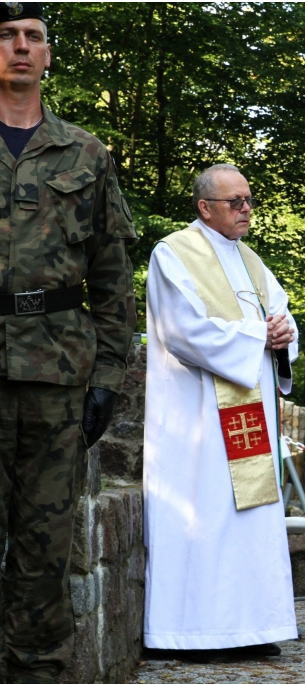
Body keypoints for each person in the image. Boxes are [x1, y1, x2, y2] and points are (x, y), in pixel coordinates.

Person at [0, 4, 137, 680]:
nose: (20, 48)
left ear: (49, 55)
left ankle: (34, 673)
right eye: (6, 36)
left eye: (33, 38)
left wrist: (110, 374)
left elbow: (113, 273)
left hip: (56, 374)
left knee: (44, 547)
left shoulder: (85, 153)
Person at [143, 164, 298, 662]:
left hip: (248, 412)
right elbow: (182, 331)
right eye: (235, 202)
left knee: (250, 518)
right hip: (198, 423)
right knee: (205, 515)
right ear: (204, 207)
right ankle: (194, 633)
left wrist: (283, 333)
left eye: (249, 200)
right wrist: (260, 336)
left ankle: (253, 625)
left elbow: (280, 312)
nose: (246, 209)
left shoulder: (251, 260)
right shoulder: (173, 254)